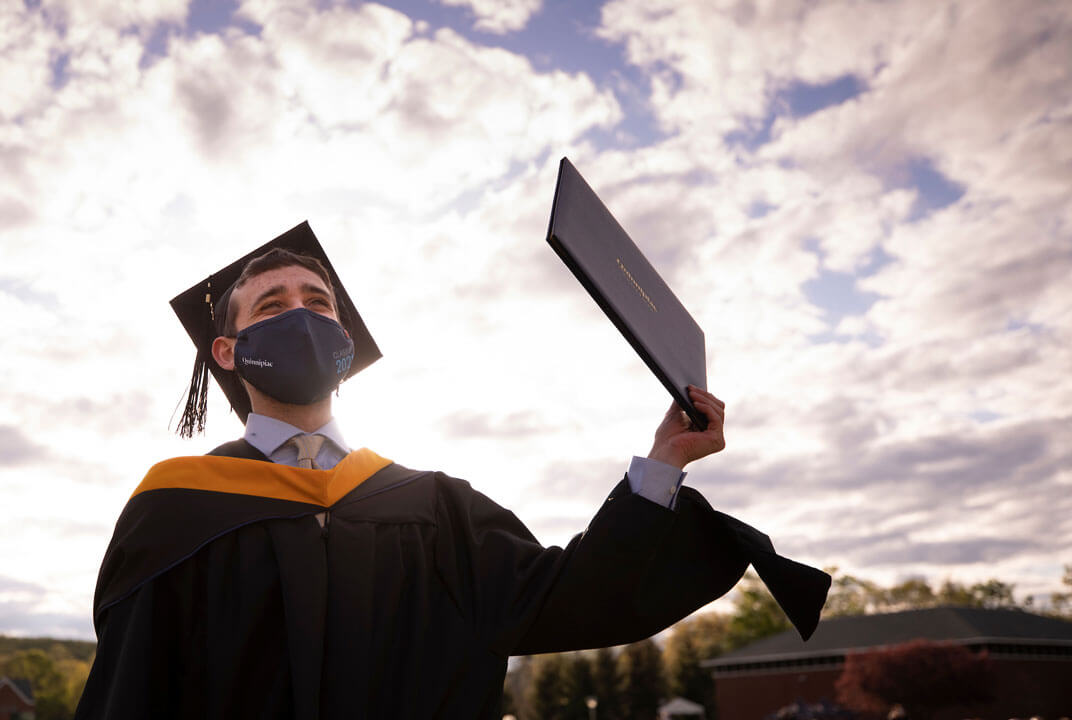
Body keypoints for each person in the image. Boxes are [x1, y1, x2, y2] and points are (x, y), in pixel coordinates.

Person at [75, 223, 830, 719]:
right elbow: (129, 696)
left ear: (344, 340)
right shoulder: (175, 509)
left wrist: (666, 463)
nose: (300, 311)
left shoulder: (431, 507)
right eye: (271, 304)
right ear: (228, 353)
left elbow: (571, 599)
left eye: (319, 301)